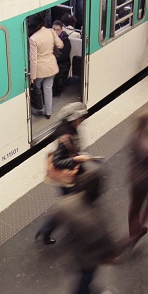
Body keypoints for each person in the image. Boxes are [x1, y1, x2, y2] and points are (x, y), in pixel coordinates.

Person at [45, 163, 124, 294]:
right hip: (87, 263)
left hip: (70, 256)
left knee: (87, 284)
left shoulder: (66, 203)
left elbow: (53, 221)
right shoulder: (97, 220)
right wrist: (113, 257)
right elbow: (109, 250)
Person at [35, 103, 92, 244]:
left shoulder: (69, 129)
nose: (83, 121)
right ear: (73, 118)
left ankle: (50, 229)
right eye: (81, 118)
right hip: (67, 180)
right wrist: (76, 159)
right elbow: (57, 161)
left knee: (70, 205)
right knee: (68, 207)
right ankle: (47, 230)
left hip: (73, 176)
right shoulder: (65, 136)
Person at [127, 108, 148, 244]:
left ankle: (134, 231)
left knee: (135, 207)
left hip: (135, 177)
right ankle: (137, 231)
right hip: (147, 180)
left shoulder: (135, 134)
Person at [29, 14, 64, 119]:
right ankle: (48, 112)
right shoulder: (51, 32)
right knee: (48, 89)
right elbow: (60, 45)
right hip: (51, 65)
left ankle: (39, 108)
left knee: (37, 88)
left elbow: (33, 59)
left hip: (40, 68)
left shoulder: (33, 38)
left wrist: (32, 76)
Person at [51, 20, 72, 97]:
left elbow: (64, 56)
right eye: (53, 29)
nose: (55, 32)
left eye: (57, 30)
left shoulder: (66, 41)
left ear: (61, 30)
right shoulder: (49, 39)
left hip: (63, 65)